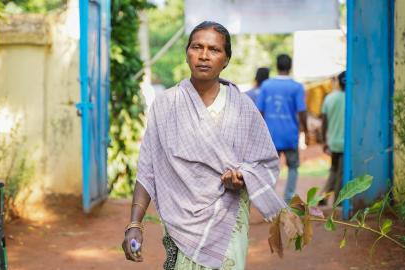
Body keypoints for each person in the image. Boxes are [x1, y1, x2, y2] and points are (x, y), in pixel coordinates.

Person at [121, 21, 302, 270]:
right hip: (180, 224)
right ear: (187, 53)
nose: (204, 55)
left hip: (228, 221)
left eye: (214, 50)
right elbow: (148, 168)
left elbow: (264, 163)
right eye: (197, 47)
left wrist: (241, 178)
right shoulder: (166, 105)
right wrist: (134, 224)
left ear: (226, 59)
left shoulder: (243, 108)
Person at [256, 54, 309, 203]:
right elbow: (302, 111)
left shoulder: (266, 86)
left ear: (277, 66)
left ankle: (270, 200)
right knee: (293, 166)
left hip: (271, 135)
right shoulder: (297, 87)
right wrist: (305, 130)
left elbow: (259, 111)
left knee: (271, 168)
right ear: (290, 66)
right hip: (290, 134)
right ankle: (288, 197)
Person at [319, 71, 346, 205]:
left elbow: (324, 122)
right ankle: (337, 202)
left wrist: (324, 141)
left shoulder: (330, 98)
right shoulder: (352, 100)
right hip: (346, 143)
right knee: (340, 173)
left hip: (333, 142)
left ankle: (322, 197)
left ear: (339, 82)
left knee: (334, 170)